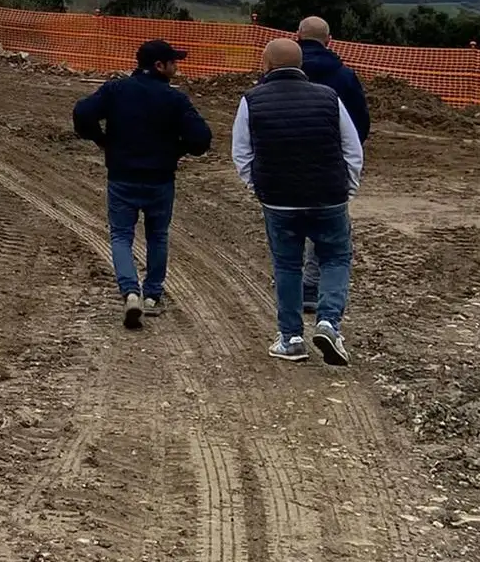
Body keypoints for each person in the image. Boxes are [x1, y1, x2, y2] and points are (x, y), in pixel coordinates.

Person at [231, 38, 364, 365]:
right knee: (335, 259)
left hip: (279, 202)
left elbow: (241, 153)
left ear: (266, 64)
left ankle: (290, 338)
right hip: (328, 198)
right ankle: (328, 323)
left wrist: (258, 188)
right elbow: (352, 149)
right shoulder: (329, 97)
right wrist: (347, 187)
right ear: (300, 64)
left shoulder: (251, 100)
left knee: (287, 265)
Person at [73, 39, 214, 330]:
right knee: (158, 235)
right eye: (173, 62)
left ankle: (130, 292)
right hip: (160, 179)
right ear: (159, 66)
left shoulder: (116, 90)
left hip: (122, 176)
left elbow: (82, 113)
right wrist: (177, 151)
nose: (177, 67)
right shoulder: (175, 99)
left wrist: (102, 141)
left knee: (121, 236)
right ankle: (152, 296)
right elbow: (201, 138)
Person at [294, 17, 372, 315]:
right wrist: (347, 161)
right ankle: (313, 292)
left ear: (296, 37)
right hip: (330, 165)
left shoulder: (281, 72)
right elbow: (359, 124)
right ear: (330, 41)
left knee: (287, 229)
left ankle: (291, 310)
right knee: (328, 230)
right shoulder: (344, 77)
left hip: (284, 164)